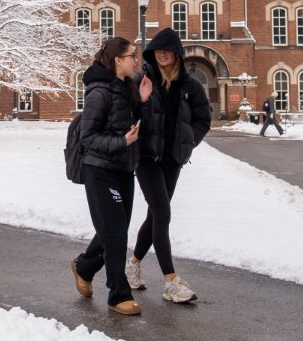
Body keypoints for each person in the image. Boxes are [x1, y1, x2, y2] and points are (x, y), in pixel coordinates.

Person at [126, 29, 209, 304]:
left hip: (173, 159)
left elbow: (202, 120)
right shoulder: (142, 81)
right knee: (162, 212)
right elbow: (132, 115)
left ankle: (133, 265)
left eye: (167, 50)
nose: (161, 54)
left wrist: (188, 143)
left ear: (177, 54)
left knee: (155, 215)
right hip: (147, 158)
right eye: (157, 50)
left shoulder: (191, 86)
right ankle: (171, 281)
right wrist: (146, 100)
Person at [71, 37, 152, 316]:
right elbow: (88, 137)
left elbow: (133, 124)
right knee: (115, 232)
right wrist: (122, 143)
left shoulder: (127, 87)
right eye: (132, 55)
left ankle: (85, 265)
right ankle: (118, 294)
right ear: (118, 60)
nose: (136, 60)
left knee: (113, 229)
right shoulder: (99, 93)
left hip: (123, 170)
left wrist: (142, 101)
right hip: (100, 170)